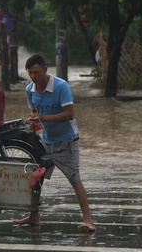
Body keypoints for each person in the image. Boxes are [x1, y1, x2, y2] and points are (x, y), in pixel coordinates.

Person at [13, 54, 96, 232]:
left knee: (74, 179)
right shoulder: (30, 90)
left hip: (66, 140)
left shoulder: (60, 86)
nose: (34, 77)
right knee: (36, 178)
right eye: (30, 73)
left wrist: (43, 117)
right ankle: (34, 217)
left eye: (36, 72)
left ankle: (88, 220)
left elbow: (69, 115)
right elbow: (34, 114)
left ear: (45, 69)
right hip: (46, 141)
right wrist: (31, 125)